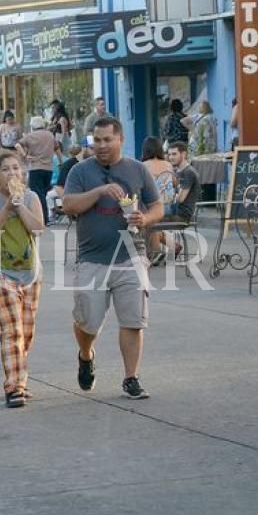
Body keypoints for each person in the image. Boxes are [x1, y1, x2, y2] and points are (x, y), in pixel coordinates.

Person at [62, 116, 163, 399]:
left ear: (121, 140)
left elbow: (157, 206)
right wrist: (100, 191)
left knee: (133, 320)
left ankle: (131, 378)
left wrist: (145, 217)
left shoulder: (137, 169)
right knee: (88, 322)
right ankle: (86, 354)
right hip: (92, 259)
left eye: (107, 139)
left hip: (132, 255)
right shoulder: (80, 172)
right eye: (97, 140)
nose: (101, 145)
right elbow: (69, 205)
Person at [0, 153, 45, 407]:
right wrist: (7, 208)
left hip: (30, 273)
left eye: (16, 168)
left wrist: (20, 206)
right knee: (12, 329)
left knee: (25, 332)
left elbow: (38, 229)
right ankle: (14, 387)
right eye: (5, 169)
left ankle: (19, 377)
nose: (12, 173)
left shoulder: (31, 197)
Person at [155, 141, 202, 262]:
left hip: (181, 214)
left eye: (174, 154)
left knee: (147, 221)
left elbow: (180, 198)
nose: (171, 157)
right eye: (169, 154)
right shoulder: (177, 172)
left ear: (184, 154)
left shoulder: (188, 173)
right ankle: (164, 250)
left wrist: (167, 195)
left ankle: (162, 250)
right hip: (173, 210)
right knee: (144, 218)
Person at [15, 116, 56, 225]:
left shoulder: (30, 136)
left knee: (37, 195)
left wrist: (25, 155)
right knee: (43, 193)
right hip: (49, 168)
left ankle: (42, 218)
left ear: (33, 126)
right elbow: (56, 147)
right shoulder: (50, 135)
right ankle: (45, 217)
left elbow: (17, 145)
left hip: (35, 167)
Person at [141, 137, 176, 265]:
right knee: (151, 222)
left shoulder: (143, 166)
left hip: (154, 207)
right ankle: (172, 245)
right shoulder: (168, 165)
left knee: (144, 219)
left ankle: (155, 253)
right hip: (169, 206)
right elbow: (174, 183)